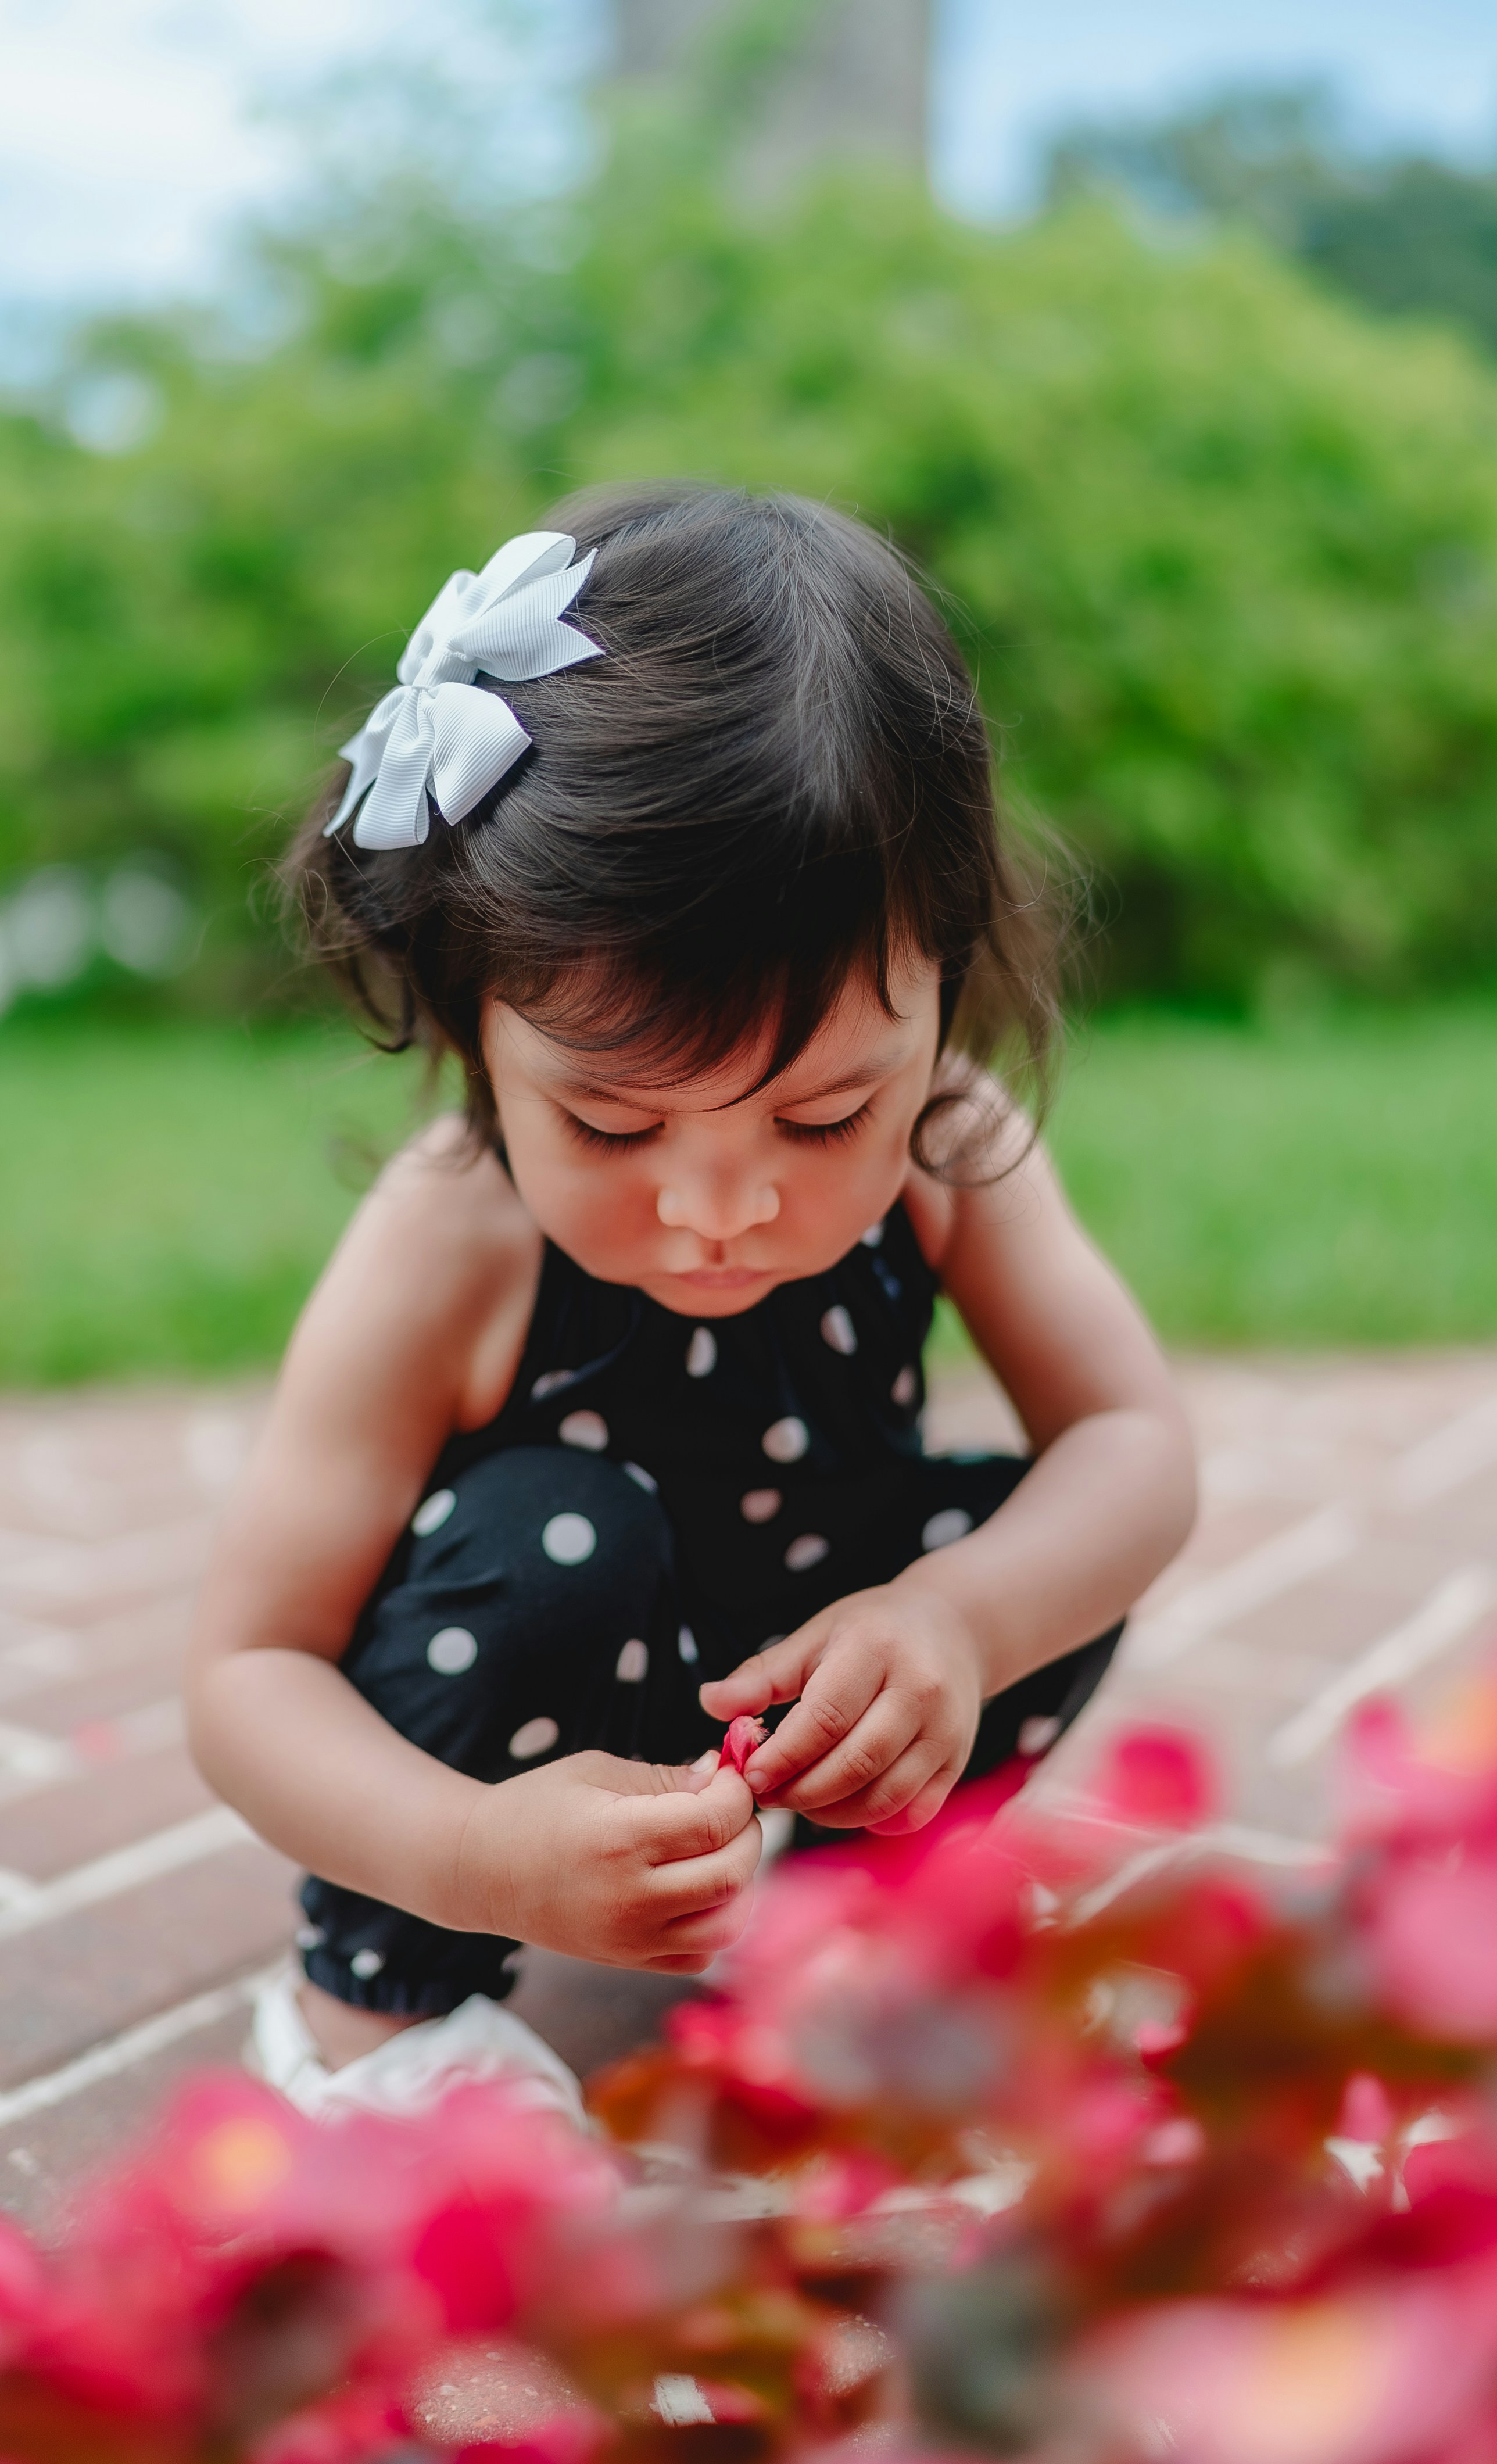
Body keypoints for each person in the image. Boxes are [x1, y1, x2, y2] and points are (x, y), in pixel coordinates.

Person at [185, 486, 1197, 2119]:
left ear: (938, 986)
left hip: (811, 1678)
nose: (719, 1208)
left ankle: (839, 1945)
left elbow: (1135, 1447)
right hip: (532, 1686)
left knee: (1031, 1539)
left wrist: (961, 1619)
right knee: (553, 1531)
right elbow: (247, 1675)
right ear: (476, 1008)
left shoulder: (956, 1152)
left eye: (817, 1120)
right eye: (612, 1123)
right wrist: (468, 1851)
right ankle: (369, 2020)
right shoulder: (455, 1235)